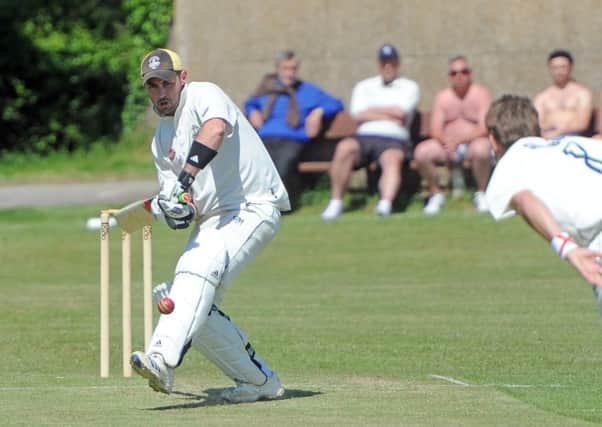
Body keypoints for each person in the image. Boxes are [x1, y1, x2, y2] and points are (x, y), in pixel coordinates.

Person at [129, 48, 291, 403]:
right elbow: (179, 201)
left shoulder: (204, 94)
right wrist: (177, 210)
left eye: (166, 83)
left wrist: (185, 181)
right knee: (183, 299)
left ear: (181, 79)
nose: (161, 93)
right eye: (153, 86)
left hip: (252, 205)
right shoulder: (161, 141)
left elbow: (215, 129)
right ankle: (259, 382)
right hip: (214, 220)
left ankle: (161, 358)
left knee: (193, 274)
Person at [484, 95, 602, 310]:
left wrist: (568, 249)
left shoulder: (508, 166)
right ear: (537, 129)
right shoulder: (576, 143)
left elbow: (524, 201)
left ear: (493, 140)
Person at [321, 44, 420, 220]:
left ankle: (385, 204)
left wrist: (372, 111)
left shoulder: (409, 86)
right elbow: (357, 113)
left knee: (392, 158)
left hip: (394, 138)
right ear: (378, 64)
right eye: (384, 63)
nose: (387, 66)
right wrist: (390, 113)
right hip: (364, 136)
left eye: (391, 62)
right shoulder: (364, 86)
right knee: (344, 148)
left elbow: (402, 113)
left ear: (397, 64)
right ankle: (335, 201)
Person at [244, 50, 343, 200]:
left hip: (292, 138)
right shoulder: (267, 88)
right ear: (278, 69)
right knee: (255, 165)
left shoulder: (307, 90)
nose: (290, 73)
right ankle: (257, 203)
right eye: (286, 69)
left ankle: (276, 203)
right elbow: (250, 102)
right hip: (265, 137)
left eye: (293, 69)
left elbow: (336, 103)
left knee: (281, 165)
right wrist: (252, 111)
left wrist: (319, 112)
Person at [413, 55, 493, 215]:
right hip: (447, 145)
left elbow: (485, 127)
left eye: (464, 71)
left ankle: (482, 193)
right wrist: (447, 142)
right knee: (422, 153)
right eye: (454, 73)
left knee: (482, 150)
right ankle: (436, 194)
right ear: (449, 76)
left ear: (470, 73)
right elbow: (435, 129)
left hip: (474, 142)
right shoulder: (443, 97)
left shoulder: (481, 94)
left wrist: (460, 140)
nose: (459, 76)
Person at [533, 49, 593, 139]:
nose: (559, 72)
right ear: (550, 68)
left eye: (563, 67)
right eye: (555, 68)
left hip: (575, 138)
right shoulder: (542, 97)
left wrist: (560, 131)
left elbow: (582, 123)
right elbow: (537, 123)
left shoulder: (582, 93)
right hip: (547, 138)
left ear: (571, 67)